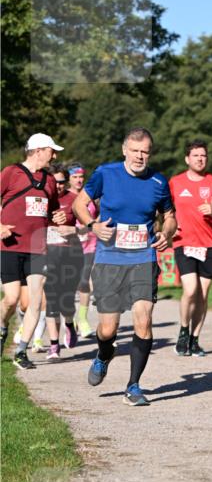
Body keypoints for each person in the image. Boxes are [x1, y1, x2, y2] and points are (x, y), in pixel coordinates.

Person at [72, 127, 176, 407]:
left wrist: (167, 233)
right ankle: (104, 354)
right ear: (124, 150)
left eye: (145, 152)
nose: (140, 156)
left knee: (144, 319)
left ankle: (133, 386)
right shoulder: (106, 174)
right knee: (108, 328)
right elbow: (79, 203)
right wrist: (93, 225)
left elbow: (169, 216)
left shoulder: (158, 181)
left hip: (143, 257)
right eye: (135, 150)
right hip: (110, 258)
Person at [1, 133, 66, 370]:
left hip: (37, 248)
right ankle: (2, 328)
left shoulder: (49, 181)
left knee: (35, 301)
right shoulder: (11, 172)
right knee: (11, 298)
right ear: (38, 150)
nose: (55, 155)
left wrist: (57, 216)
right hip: (9, 246)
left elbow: (53, 211)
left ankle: (21, 352)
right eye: (51, 150)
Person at [169, 140, 212, 357]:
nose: (200, 159)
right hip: (183, 241)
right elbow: (165, 210)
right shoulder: (175, 182)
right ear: (187, 159)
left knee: (203, 294)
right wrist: (167, 227)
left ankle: (195, 339)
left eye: (203, 155)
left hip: (208, 243)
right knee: (190, 290)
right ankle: (183, 331)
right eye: (196, 155)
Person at [44, 165, 84, 360]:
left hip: (72, 255)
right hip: (47, 254)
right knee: (51, 299)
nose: (58, 185)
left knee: (66, 300)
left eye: (61, 181)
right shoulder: (41, 198)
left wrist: (73, 230)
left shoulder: (75, 199)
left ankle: (69, 324)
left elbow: (89, 227)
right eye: (54, 181)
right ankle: (54, 345)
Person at [68, 162, 96, 337]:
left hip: (90, 244)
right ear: (69, 178)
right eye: (75, 177)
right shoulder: (64, 196)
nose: (79, 180)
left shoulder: (89, 195)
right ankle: (69, 321)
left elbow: (99, 213)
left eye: (81, 177)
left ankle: (83, 319)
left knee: (86, 282)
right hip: (70, 246)